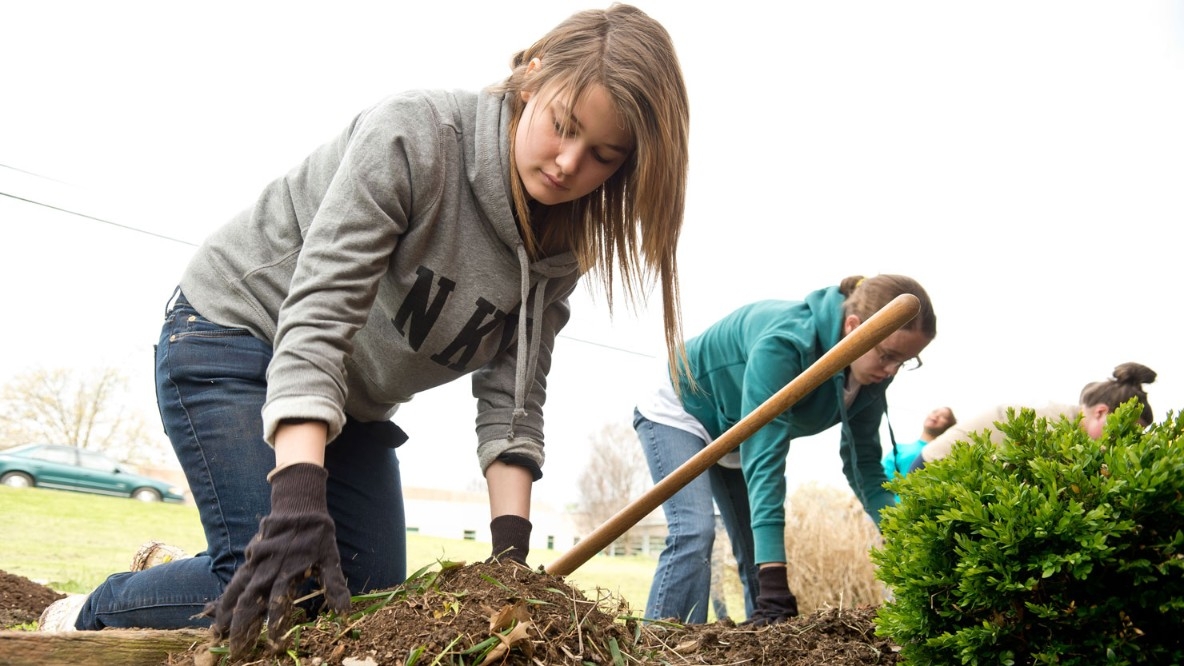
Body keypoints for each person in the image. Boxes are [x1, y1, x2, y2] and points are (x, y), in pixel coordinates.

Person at [39, 4, 691, 655]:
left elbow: (513, 400)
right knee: (280, 581)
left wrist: (510, 564)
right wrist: (297, 500)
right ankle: (89, 612)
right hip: (234, 336)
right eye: (563, 126)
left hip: (350, 404)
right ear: (533, 78)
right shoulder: (417, 136)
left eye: (602, 155)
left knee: (370, 603)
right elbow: (319, 315)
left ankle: (181, 571)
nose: (569, 163)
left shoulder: (560, 250)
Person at [635, 274, 938, 626]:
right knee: (695, 529)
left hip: (735, 431)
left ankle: (760, 642)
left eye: (905, 362)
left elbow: (864, 465)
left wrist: (905, 536)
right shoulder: (786, 344)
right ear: (854, 328)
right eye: (887, 356)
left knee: (756, 549)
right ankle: (663, 643)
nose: (891, 371)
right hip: (684, 410)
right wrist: (775, 585)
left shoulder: (871, 376)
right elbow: (765, 456)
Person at [910, 363, 1157, 472]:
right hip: (933, 467)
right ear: (1101, 412)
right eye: (1124, 430)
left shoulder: (1072, 424)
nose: (1125, 442)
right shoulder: (1053, 426)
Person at [881, 406, 957, 482]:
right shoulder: (899, 448)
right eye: (934, 412)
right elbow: (882, 476)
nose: (936, 415)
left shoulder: (946, 455)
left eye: (944, 416)